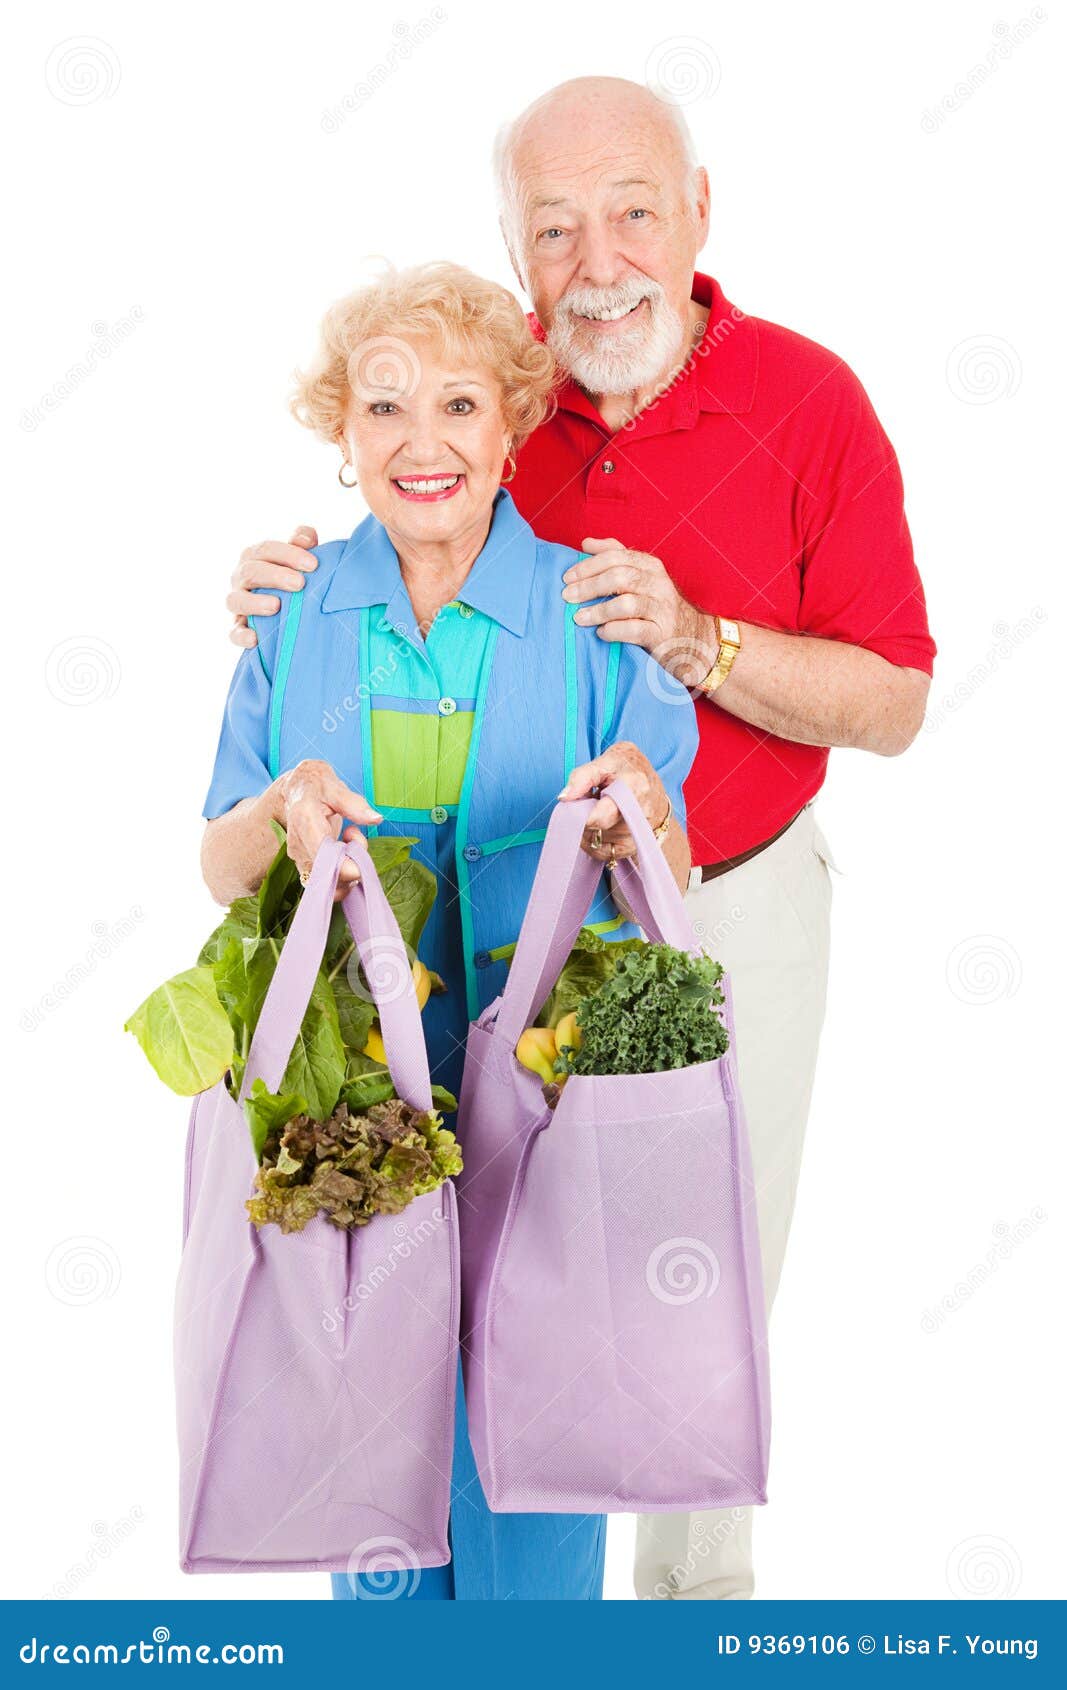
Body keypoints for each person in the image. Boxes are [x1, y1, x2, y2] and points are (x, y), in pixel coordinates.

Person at [224, 78, 937, 1600]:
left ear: (697, 212)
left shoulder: (810, 400)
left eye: (631, 211)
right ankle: (451, 1588)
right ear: (516, 249)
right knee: (467, 1296)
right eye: (554, 228)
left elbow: (893, 701)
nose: (597, 257)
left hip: (715, 903)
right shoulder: (499, 394)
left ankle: (689, 1611)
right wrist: (272, 591)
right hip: (446, 939)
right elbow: (406, 482)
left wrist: (701, 641)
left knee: (684, 1293)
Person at [200, 260, 698, 1601]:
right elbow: (217, 856)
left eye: (462, 405)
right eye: (385, 409)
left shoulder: (594, 613)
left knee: (539, 1449)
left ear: (511, 425)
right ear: (342, 433)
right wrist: (285, 808)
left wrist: (637, 809)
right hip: (358, 1106)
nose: (424, 442)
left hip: (549, 1107)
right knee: (374, 1464)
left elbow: (675, 856)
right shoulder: (295, 616)